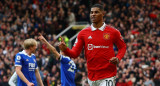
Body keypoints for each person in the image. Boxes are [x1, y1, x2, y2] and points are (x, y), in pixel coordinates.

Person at [59, 4, 126, 86]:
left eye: (96, 12)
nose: (93, 14)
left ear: (103, 14)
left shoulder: (113, 32)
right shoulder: (82, 33)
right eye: (91, 12)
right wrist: (65, 49)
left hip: (108, 75)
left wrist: (118, 58)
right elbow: (74, 54)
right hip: (92, 76)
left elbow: (122, 47)